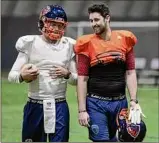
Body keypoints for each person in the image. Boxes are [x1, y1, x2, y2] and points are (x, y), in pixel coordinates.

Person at [74, 4, 145, 142]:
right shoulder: (85, 43)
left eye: (96, 20)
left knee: (121, 139)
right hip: (96, 103)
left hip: (120, 103)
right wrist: (82, 110)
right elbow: (82, 79)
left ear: (107, 18)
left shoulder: (125, 39)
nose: (93, 24)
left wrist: (134, 101)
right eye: (91, 21)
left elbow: (130, 72)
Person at [8, 5, 77, 142]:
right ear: (42, 22)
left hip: (59, 105)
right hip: (35, 104)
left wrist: (67, 74)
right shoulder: (30, 43)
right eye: (53, 24)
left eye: (60, 25)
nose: (56, 28)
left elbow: (77, 80)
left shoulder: (69, 45)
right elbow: (12, 76)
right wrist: (22, 76)